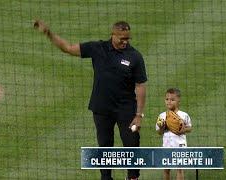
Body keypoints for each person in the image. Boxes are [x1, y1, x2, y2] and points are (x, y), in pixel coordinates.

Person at [34, 20, 147, 180]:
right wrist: (49, 33)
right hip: (101, 109)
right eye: (121, 38)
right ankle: (106, 178)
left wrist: (139, 115)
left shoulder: (135, 56)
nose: (125, 42)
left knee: (132, 144)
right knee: (105, 146)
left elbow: (141, 85)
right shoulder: (97, 48)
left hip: (127, 110)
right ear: (112, 35)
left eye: (127, 38)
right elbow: (68, 48)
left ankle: (133, 178)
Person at [155, 88, 192, 180]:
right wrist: (163, 127)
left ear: (178, 100)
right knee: (166, 169)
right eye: (167, 99)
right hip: (166, 146)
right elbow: (159, 132)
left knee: (180, 169)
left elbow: (190, 128)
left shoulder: (184, 115)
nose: (169, 102)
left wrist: (182, 130)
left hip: (180, 146)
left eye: (172, 99)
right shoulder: (162, 116)